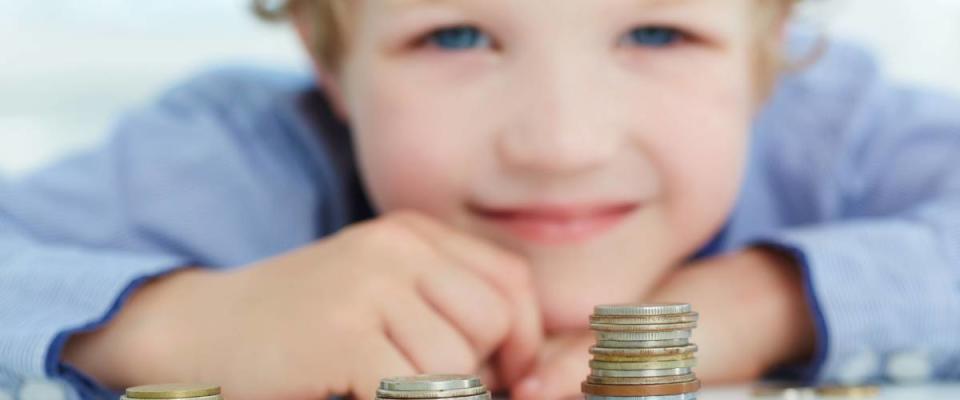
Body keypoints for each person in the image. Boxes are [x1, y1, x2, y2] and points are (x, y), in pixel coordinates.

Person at [2, 0, 959, 399]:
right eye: (457, 36)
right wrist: (167, 323)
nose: (561, 145)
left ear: (768, 51)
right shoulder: (235, 159)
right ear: (329, 63)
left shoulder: (834, 132)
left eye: (658, 33)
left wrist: (768, 301)